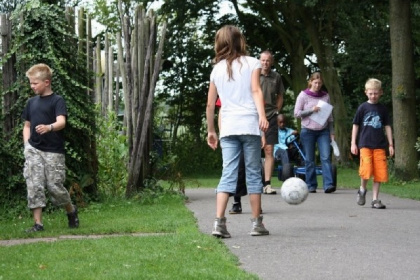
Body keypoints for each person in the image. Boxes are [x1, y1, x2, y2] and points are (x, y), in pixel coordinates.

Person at [206, 25, 269, 238]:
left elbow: (210, 104)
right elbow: (255, 90)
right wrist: (262, 116)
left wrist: (211, 130)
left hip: (228, 127)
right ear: (240, 40)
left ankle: (219, 223)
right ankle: (256, 224)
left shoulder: (216, 69)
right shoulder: (253, 62)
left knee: (228, 173)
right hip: (249, 126)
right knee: (253, 174)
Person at [22, 63, 79, 232]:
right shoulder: (31, 103)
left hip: (53, 151)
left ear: (46, 82)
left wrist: (49, 127)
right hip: (34, 149)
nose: (32, 86)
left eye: (35, 83)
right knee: (34, 184)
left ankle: (71, 210)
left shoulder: (57, 100)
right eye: (31, 83)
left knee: (55, 187)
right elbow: (27, 125)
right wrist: (26, 145)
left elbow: (62, 122)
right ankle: (38, 224)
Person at [350, 78, 394, 209]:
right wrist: (353, 143)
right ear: (366, 93)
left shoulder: (382, 109)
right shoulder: (362, 107)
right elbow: (355, 125)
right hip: (365, 144)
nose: (373, 96)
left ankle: (375, 199)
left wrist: (391, 144)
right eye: (371, 93)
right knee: (366, 170)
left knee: (380, 172)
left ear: (381, 92)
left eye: (376, 93)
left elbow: (387, 126)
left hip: (380, 145)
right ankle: (362, 189)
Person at [294, 72, 336, 193]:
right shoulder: (303, 95)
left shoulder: (325, 96)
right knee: (310, 159)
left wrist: (331, 132)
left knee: (326, 157)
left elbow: (330, 116)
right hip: (308, 131)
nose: (317, 85)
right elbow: (297, 113)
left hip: (323, 130)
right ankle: (311, 185)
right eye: (315, 82)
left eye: (319, 83)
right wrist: (311, 110)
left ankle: (328, 185)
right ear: (311, 82)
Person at [260, 50, 285, 195]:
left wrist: (277, 110)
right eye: (263, 60)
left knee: (269, 150)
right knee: (253, 150)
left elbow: (280, 95)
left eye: (267, 60)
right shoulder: (254, 75)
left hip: (270, 116)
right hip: (255, 116)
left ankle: (267, 183)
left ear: (271, 62)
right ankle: (254, 182)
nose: (265, 63)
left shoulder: (276, 77)